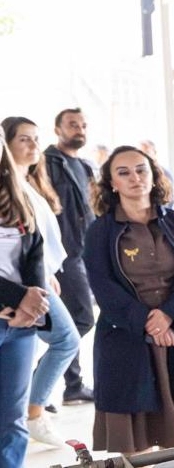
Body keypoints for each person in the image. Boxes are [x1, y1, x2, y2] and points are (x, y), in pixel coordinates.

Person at [83, 146, 174, 453]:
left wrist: (168, 315)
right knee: (134, 443)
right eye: (123, 172)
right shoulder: (100, 231)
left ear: (154, 176)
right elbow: (103, 287)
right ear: (112, 183)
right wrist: (148, 322)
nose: (135, 177)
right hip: (125, 337)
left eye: (141, 169)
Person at [3, 117, 80, 448]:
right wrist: (22, 296)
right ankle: (36, 412)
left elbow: (34, 244)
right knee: (66, 338)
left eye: (36, 138)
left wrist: (40, 284)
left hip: (29, 296)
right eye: (24, 139)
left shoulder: (24, 186)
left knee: (11, 422)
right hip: (15, 296)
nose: (34, 146)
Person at [0, 141, 49, 468]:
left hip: (18, 325)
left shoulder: (15, 195)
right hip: (12, 308)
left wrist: (32, 306)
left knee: (12, 420)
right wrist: (20, 297)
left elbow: (35, 251)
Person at [43, 107, 96, 404]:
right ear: (58, 129)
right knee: (83, 318)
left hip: (87, 251)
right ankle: (47, 375)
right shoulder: (49, 163)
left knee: (79, 317)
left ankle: (72, 384)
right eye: (73, 125)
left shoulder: (86, 166)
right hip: (64, 254)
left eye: (83, 125)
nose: (80, 129)